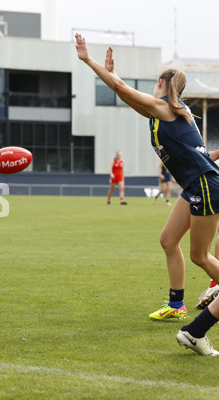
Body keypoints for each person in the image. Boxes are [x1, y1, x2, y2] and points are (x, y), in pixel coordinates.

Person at [75, 34, 219, 331]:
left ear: (163, 86)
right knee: (168, 240)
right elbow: (124, 93)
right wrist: (113, 74)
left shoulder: (166, 109)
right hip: (197, 185)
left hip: (205, 186)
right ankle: (176, 305)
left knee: (200, 256)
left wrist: (88, 60)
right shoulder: (165, 113)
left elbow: (121, 89)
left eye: (156, 83)